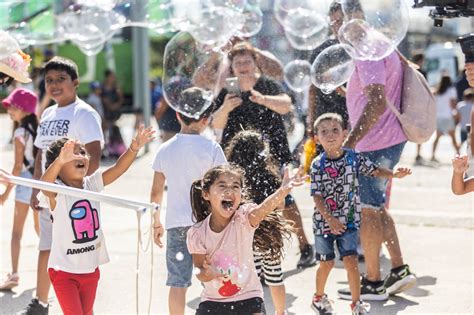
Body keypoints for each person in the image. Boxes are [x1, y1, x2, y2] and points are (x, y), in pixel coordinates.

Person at [212, 41, 316, 269]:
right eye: (238, 62)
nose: (243, 66)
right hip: (238, 157)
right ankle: (251, 258)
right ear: (232, 66)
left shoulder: (267, 85)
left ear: (255, 62)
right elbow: (215, 124)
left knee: (285, 199)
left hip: (272, 153)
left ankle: (305, 246)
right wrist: (226, 108)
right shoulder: (227, 92)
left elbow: (287, 105)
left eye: (247, 61)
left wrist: (263, 99)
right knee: (242, 204)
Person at [39, 126, 154, 315]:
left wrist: (134, 148)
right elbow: (44, 186)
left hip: (91, 269)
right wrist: (60, 160)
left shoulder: (91, 184)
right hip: (63, 272)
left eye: (82, 152)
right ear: (57, 165)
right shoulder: (57, 190)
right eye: (71, 154)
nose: (80, 157)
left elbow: (118, 169)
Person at [310, 113, 411, 314]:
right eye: (324, 132)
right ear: (316, 138)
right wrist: (330, 219)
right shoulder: (317, 164)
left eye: (335, 130)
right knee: (327, 262)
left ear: (345, 133)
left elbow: (374, 170)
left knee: (351, 261)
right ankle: (318, 298)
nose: (330, 135)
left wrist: (394, 174)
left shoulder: (353, 158)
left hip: (349, 221)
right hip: (324, 224)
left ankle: (356, 304)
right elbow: (317, 197)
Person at [26, 56, 104, 315]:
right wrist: (38, 189)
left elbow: (94, 152)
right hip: (51, 194)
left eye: (61, 79)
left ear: (76, 82)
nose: (55, 85)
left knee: (66, 251)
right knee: (47, 247)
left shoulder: (85, 113)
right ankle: (41, 301)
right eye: (49, 80)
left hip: (71, 201)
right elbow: (40, 154)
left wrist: (79, 191)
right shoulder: (48, 112)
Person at [339, 39, 417, 299]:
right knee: (377, 206)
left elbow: (377, 102)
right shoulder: (383, 45)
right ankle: (398, 270)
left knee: (367, 211)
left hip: (374, 143)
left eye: (338, 21)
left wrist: (348, 144)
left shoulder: (366, 50)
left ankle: (373, 281)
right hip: (388, 139)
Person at [186, 164, 307, 314]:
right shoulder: (197, 233)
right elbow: (200, 272)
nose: (229, 190)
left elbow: (263, 209)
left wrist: (282, 191)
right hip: (213, 301)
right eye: (222, 185)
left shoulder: (243, 219)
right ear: (206, 194)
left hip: (249, 298)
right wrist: (210, 273)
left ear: (241, 195)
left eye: (235, 186)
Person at [151, 87, 227, 315]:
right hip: (207, 225)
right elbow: (224, 188)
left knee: (177, 282)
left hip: (176, 226)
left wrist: (156, 222)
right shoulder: (212, 148)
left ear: (177, 114)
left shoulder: (164, 149)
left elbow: (155, 193)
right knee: (212, 278)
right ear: (206, 119)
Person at [225, 130, 293, 315]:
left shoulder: (234, 181)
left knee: (247, 282)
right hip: (269, 236)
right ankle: (280, 312)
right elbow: (280, 206)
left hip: (246, 238)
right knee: (275, 278)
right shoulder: (270, 175)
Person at [0, 88, 40, 291]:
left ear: (24, 109)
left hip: (25, 183)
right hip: (41, 184)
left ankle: (14, 274)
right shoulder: (38, 128)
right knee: (40, 229)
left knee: (16, 233)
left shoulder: (19, 132)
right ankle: (54, 264)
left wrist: (5, 193)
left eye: (13, 107)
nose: (9, 110)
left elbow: (17, 167)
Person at [432, 75, 460, 162]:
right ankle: (458, 154)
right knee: (453, 138)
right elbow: (453, 104)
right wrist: (456, 114)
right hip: (448, 116)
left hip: (439, 117)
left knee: (437, 137)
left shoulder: (437, 92)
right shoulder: (451, 90)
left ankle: (432, 155)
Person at [101, 69, 125, 158]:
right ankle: (106, 150)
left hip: (115, 113)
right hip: (106, 113)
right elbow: (103, 100)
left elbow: (121, 98)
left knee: (115, 130)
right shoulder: (103, 87)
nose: (113, 78)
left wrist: (116, 105)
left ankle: (116, 150)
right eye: (112, 76)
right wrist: (111, 106)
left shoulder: (116, 87)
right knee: (106, 132)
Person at [411, 53, 427, 164]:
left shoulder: (408, 69)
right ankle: (417, 154)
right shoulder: (422, 72)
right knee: (420, 129)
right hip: (419, 104)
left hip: (408, 102)